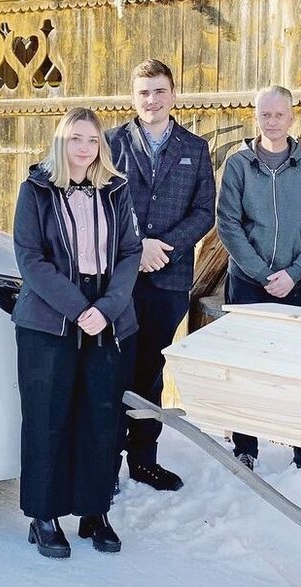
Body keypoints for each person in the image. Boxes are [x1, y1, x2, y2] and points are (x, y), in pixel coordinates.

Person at [13, 107, 141, 559]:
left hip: (109, 317)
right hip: (50, 318)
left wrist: (105, 309)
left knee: (101, 418)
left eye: (92, 140)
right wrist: (79, 308)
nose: (84, 148)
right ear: (61, 142)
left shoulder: (116, 190)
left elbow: (130, 253)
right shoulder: (35, 190)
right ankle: (44, 517)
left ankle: (95, 511)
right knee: (47, 417)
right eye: (75, 139)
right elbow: (30, 258)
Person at [106, 59, 215, 492]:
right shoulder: (111, 143)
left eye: (159, 91)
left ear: (173, 94)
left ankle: (144, 461)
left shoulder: (195, 148)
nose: (152, 100)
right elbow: (101, 204)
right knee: (113, 366)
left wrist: (164, 247)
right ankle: (106, 462)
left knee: (152, 369)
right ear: (133, 98)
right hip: (119, 278)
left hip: (169, 278)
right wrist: (138, 247)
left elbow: (204, 212)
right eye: (144, 92)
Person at [216, 85, 301, 470]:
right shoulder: (239, 164)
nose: (273, 121)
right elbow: (228, 224)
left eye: (280, 114)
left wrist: (295, 272)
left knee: (295, 367)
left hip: (294, 283)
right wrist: (263, 274)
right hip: (248, 282)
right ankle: (246, 446)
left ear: (292, 118)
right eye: (266, 114)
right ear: (256, 117)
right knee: (246, 367)